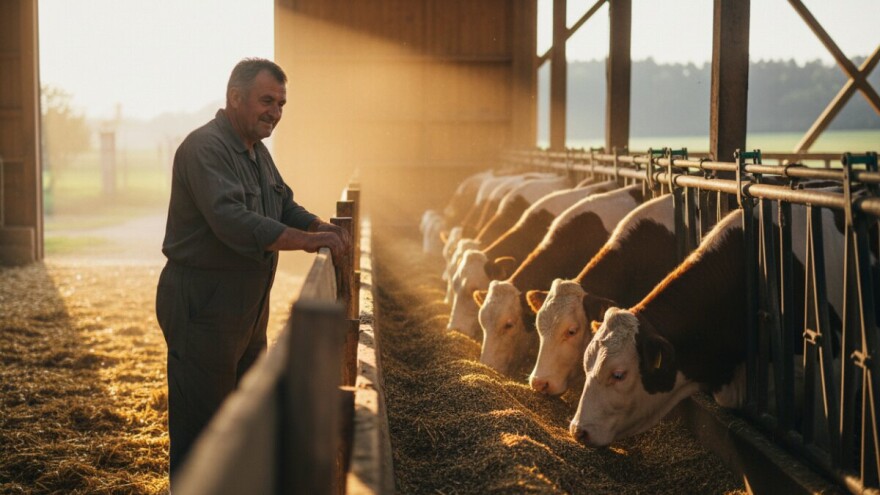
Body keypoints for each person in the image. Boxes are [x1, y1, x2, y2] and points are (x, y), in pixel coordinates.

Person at [154, 57, 350, 482]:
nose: (275, 113)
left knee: (240, 420)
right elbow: (232, 220)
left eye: (281, 104)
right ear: (235, 98)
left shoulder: (256, 152)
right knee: (204, 427)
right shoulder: (205, 148)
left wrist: (318, 225)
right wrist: (307, 242)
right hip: (203, 302)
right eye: (267, 101)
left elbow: (283, 203)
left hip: (247, 308)